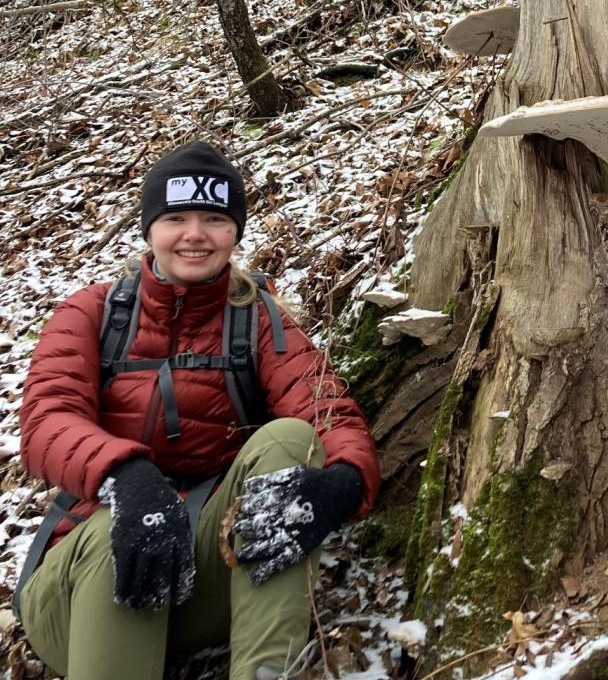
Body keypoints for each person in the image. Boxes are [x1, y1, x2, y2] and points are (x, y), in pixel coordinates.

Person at [16, 141, 380, 680]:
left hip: (196, 581)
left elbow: (326, 412)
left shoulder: (255, 318)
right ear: (150, 229)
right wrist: (127, 474)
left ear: (234, 231)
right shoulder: (90, 312)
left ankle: (264, 670)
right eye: (176, 218)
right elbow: (46, 419)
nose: (195, 234)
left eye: (213, 218)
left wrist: (345, 482)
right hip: (76, 594)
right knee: (117, 521)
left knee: (287, 439)